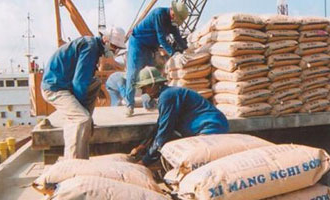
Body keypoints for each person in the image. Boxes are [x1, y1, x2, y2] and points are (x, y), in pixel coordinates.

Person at [41, 27, 126, 159]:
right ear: (105, 40)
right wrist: (81, 113)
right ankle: (73, 162)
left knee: (95, 82)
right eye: (114, 47)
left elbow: (84, 80)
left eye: (117, 48)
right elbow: (79, 82)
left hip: (65, 84)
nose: (114, 51)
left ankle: (83, 121)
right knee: (81, 120)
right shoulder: (90, 47)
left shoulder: (93, 47)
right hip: (55, 88)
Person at [134, 66, 229, 166]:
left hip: (211, 127)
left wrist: (145, 162)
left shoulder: (167, 96)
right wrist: (143, 145)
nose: (143, 92)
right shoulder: (167, 95)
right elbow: (160, 125)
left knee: (197, 162)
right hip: (207, 126)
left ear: (153, 85)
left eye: (144, 88)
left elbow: (164, 132)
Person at [125, 1, 189, 117]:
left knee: (151, 77)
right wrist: (174, 54)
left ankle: (148, 103)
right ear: (172, 11)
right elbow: (161, 38)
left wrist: (187, 49)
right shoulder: (159, 14)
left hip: (150, 47)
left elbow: (178, 37)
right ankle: (130, 105)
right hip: (137, 43)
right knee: (133, 73)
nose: (176, 20)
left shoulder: (173, 23)